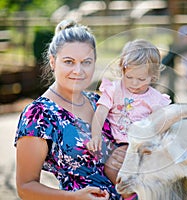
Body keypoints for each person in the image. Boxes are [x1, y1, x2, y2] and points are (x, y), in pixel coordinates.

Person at [14, 19, 121, 200]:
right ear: (53, 61)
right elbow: (25, 187)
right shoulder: (39, 114)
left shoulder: (99, 102)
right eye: (69, 62)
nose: (78, 70)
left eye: (86, 62)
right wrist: (73, 197)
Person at [87, 38, 172, 156]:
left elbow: (161, 124)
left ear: (153, 76)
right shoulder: (114, 90)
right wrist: (95, 136)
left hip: (142, 147)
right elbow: (100, 113)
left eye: (141, 79)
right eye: (129, 77)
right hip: (115, 145)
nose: (134, 84)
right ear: (122, 70)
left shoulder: (155, 99)